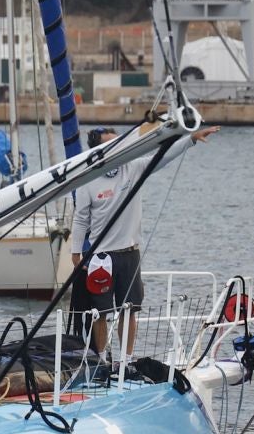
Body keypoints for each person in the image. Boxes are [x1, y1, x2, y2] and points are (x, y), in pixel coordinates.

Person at [70, 125, 217, 358]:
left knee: (129, 311)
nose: (117, 148)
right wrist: (76, 254)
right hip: (101, 257)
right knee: (101, 313)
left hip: (130, 253)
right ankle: (100, 360)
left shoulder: (133, 168)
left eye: (119, 143)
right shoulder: (89, 180)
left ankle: (125, 361)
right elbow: (80, 220)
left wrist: (191, 139)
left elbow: (163, 157)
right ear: (97, 149)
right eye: (109, 144)